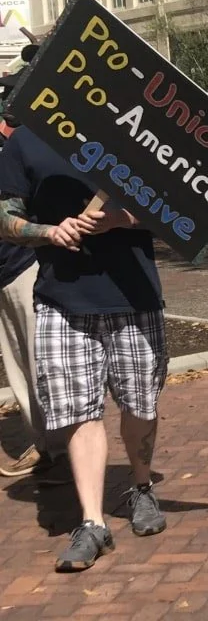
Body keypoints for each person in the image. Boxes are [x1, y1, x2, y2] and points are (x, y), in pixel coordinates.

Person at [0, 117, 169, 572]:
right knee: (78, 411)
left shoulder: (133, 136)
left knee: (142, 405)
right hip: (61, 298)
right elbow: (4, 216)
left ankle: (140, 486)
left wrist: (119, 220)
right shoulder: (25, 142)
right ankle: (93, 522)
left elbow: (169, 211)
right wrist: (46, 232)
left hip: (133, 295)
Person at [0, 73, 70, 483]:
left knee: (42, 361)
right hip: (4, 274)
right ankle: (44, 446)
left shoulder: (17, 145)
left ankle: (62, 447)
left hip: (23, 265)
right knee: (17, 365)